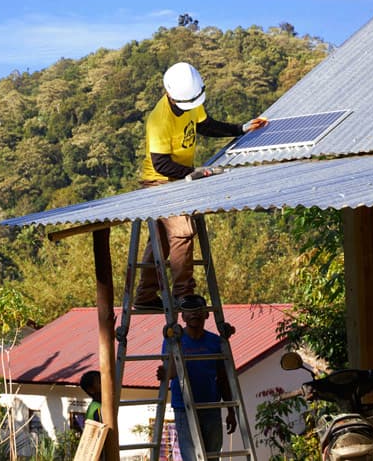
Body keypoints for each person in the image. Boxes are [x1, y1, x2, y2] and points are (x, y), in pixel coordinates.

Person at [134, 62, 268, 310]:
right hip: (159, 182)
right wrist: (192, 173)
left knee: (162, 241)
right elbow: (161, 163)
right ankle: (183, 294)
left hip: (177, 179)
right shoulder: (159, 120)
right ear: (170, 94)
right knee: (183, 232)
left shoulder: (190, 99)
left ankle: (145, 297)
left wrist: (239, 129)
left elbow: (204, 124)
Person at [156, 294, 236, 461]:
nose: (194, 315)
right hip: (184, 407)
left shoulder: (215, 342)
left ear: (206, 314)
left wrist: (230, 410)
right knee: (192, 457)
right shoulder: (174, 341)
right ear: (183, 316)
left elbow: (223, 377)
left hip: (211, 406)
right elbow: (169, 372)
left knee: (212, 456)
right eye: (189, 311)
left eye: (198, 311)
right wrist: (164, 372)